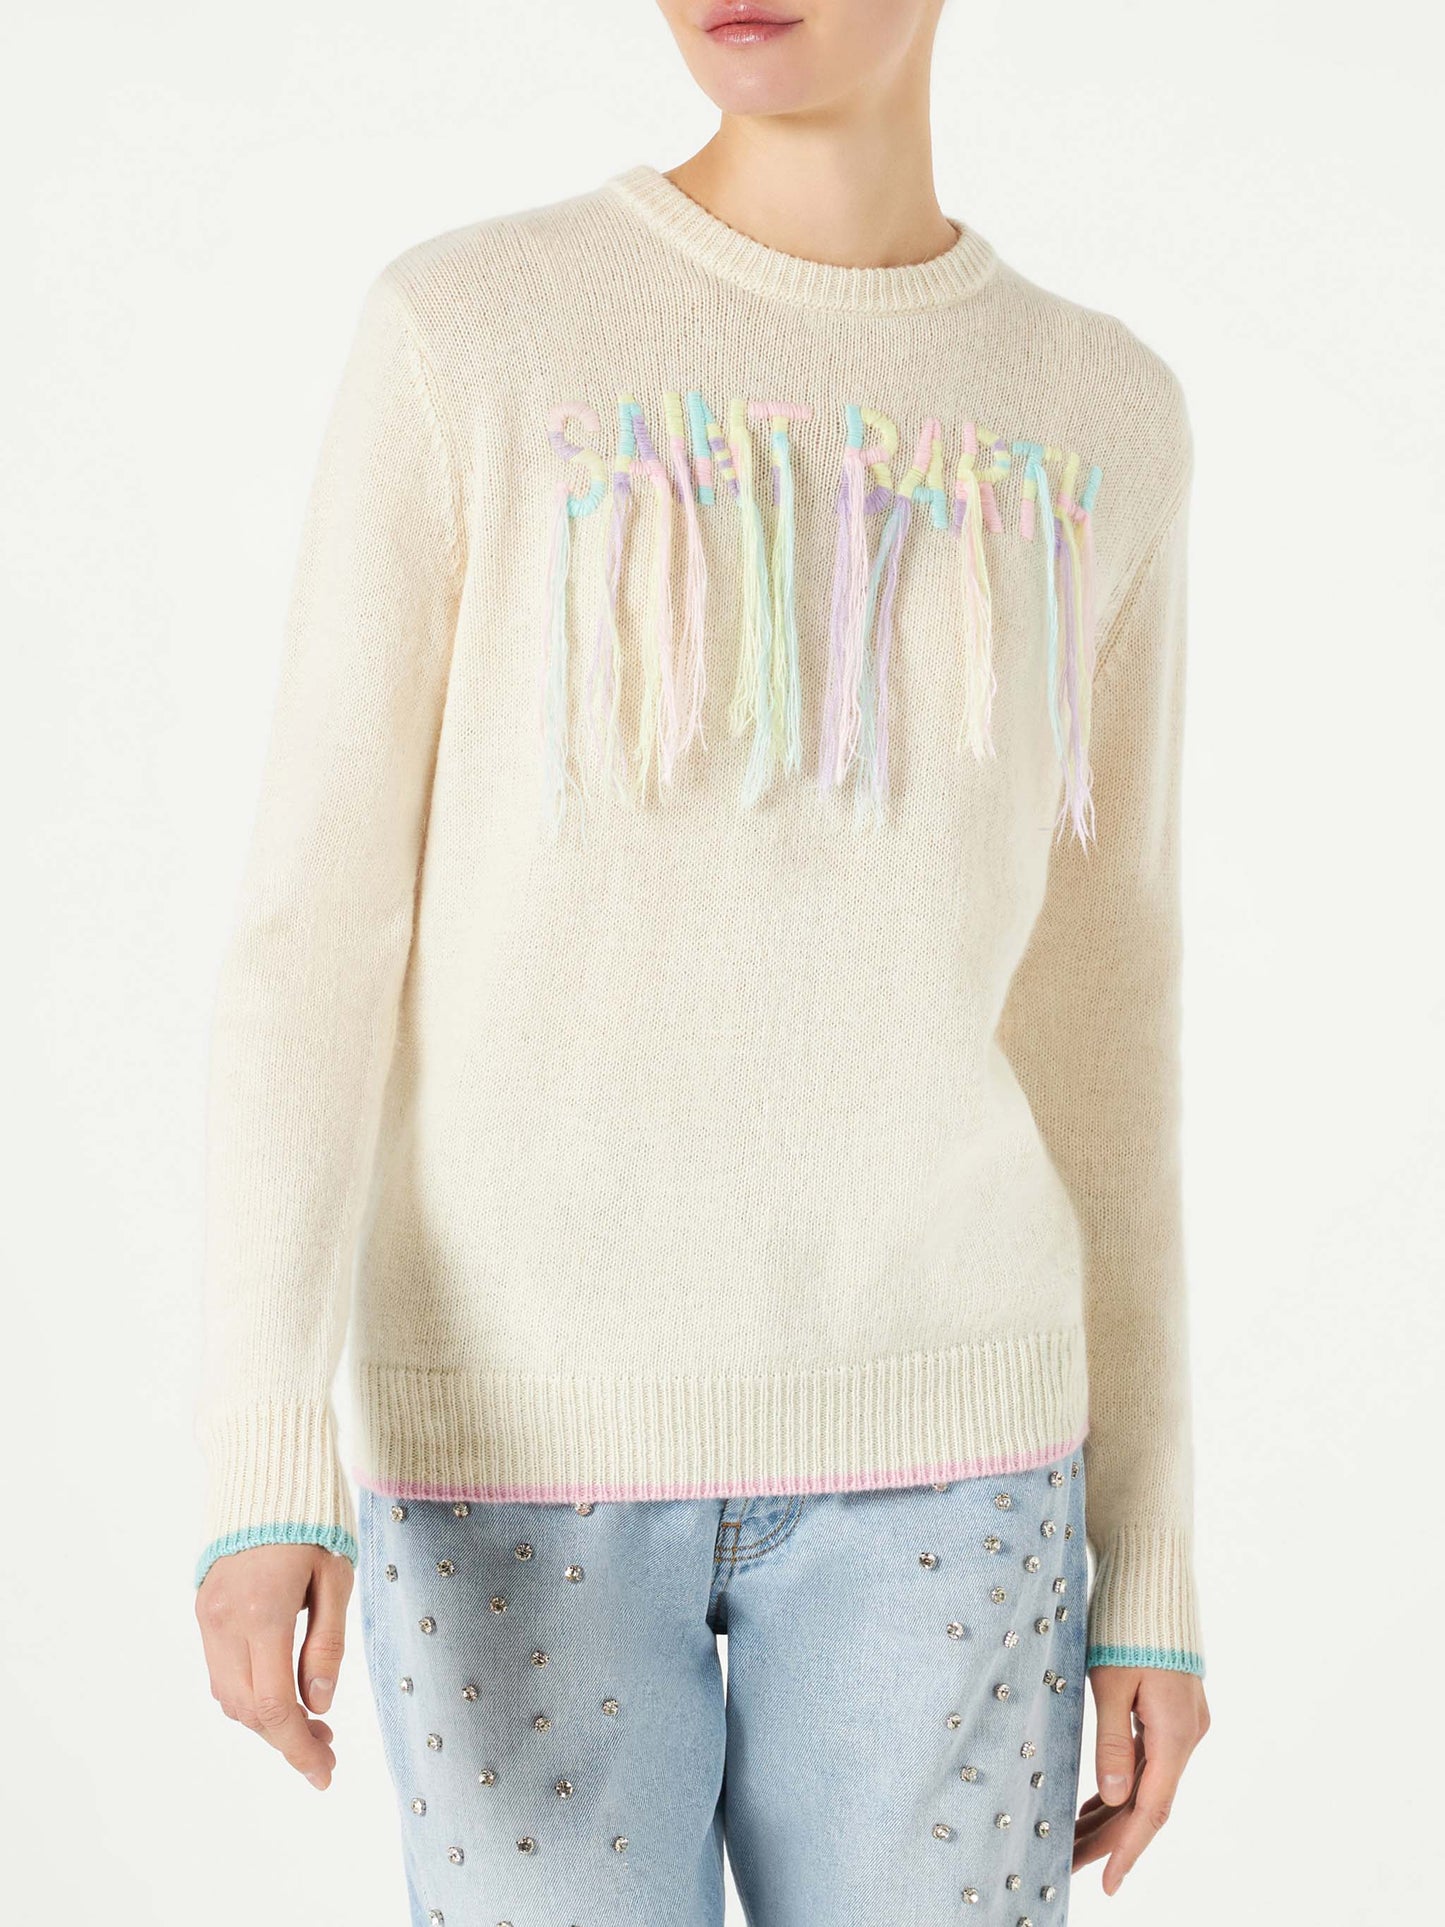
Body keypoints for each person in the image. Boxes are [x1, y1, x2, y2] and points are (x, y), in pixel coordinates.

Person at [192, 2, 1210, 1919]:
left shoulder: (1100, 415)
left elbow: (1104, 1014)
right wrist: (264, 1453)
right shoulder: (469, 336)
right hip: (516, 1452)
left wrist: (1147, 1563)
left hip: (959, 1451)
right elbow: (311, 929)